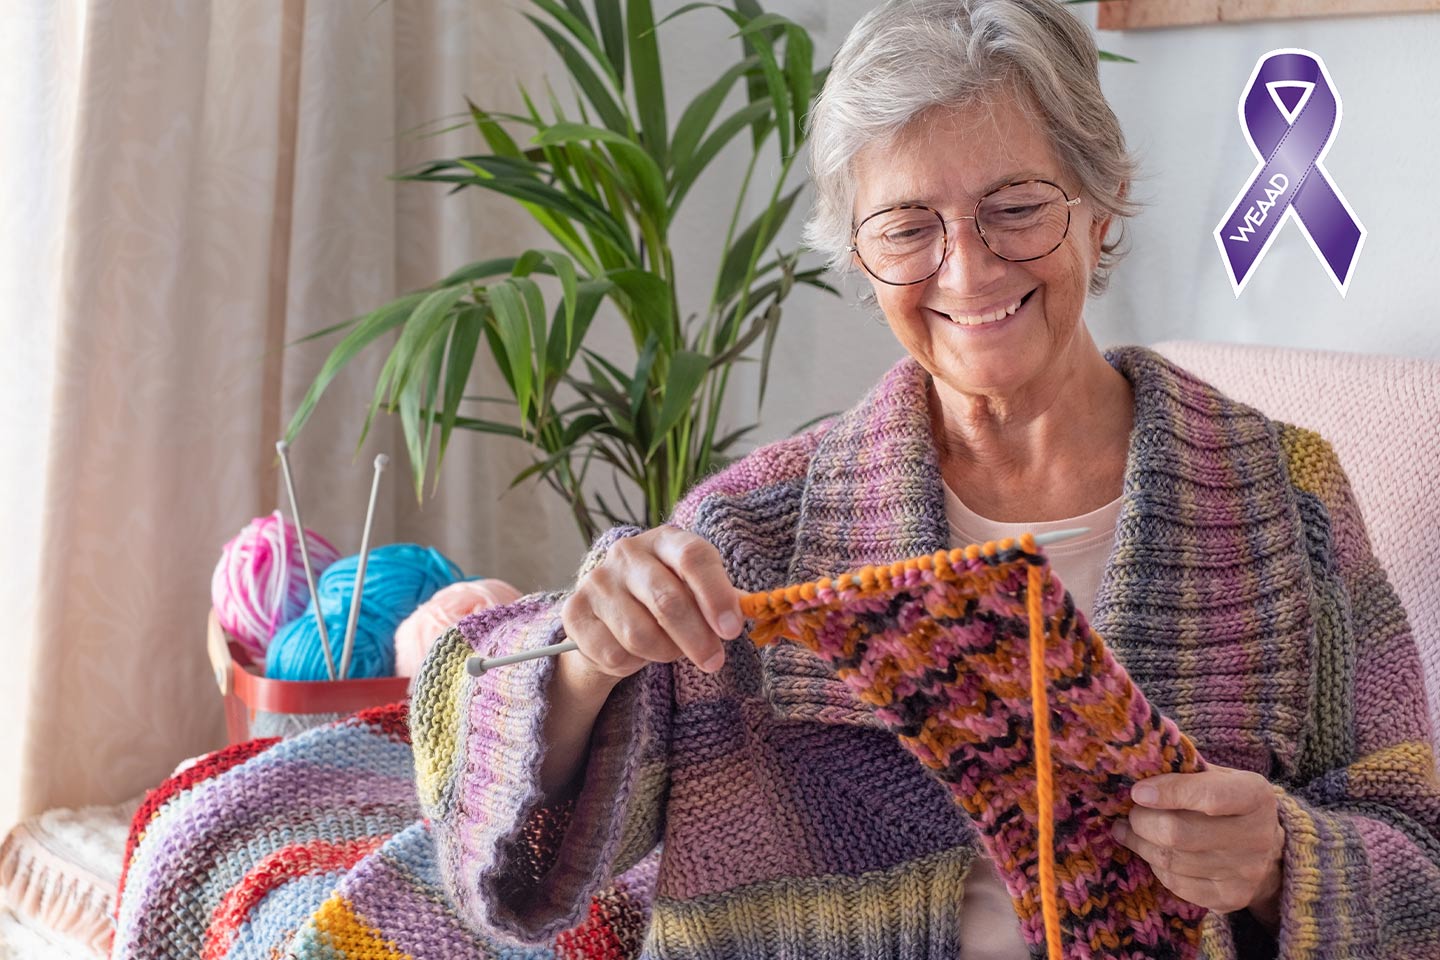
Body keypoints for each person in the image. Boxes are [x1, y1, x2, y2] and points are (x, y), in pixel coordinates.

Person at [412, 1, 1440, 957]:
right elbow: (515, 843)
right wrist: (590, 662)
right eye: (908, 229)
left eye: (1016, 207)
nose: (967, 270)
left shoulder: (1283, 496)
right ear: (861, 260)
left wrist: (1280, 866)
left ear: (1100, 205)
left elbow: (1417, 845)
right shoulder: (752, 537)